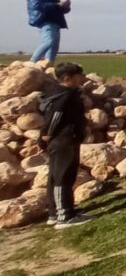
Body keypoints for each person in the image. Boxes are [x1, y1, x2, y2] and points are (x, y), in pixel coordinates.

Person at [39, 62, 89, 228]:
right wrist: (46, 136)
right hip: (63, 140)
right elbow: (55, 117)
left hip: (62, 140)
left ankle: (56, 212)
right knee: (63, 176)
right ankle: (64, 216)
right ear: (68, 78)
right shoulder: (65, 96)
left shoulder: (59, 93)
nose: (82, 77)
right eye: (79, 75)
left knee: (56, 176)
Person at [27, 0, 71, 65]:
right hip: (46, 21)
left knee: (53, 47)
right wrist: (57, 5)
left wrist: (65, 7)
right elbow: (36, 5)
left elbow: (58, 9)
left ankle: (48, 66)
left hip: (56, 23)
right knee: (49, 41)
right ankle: (32, 63)